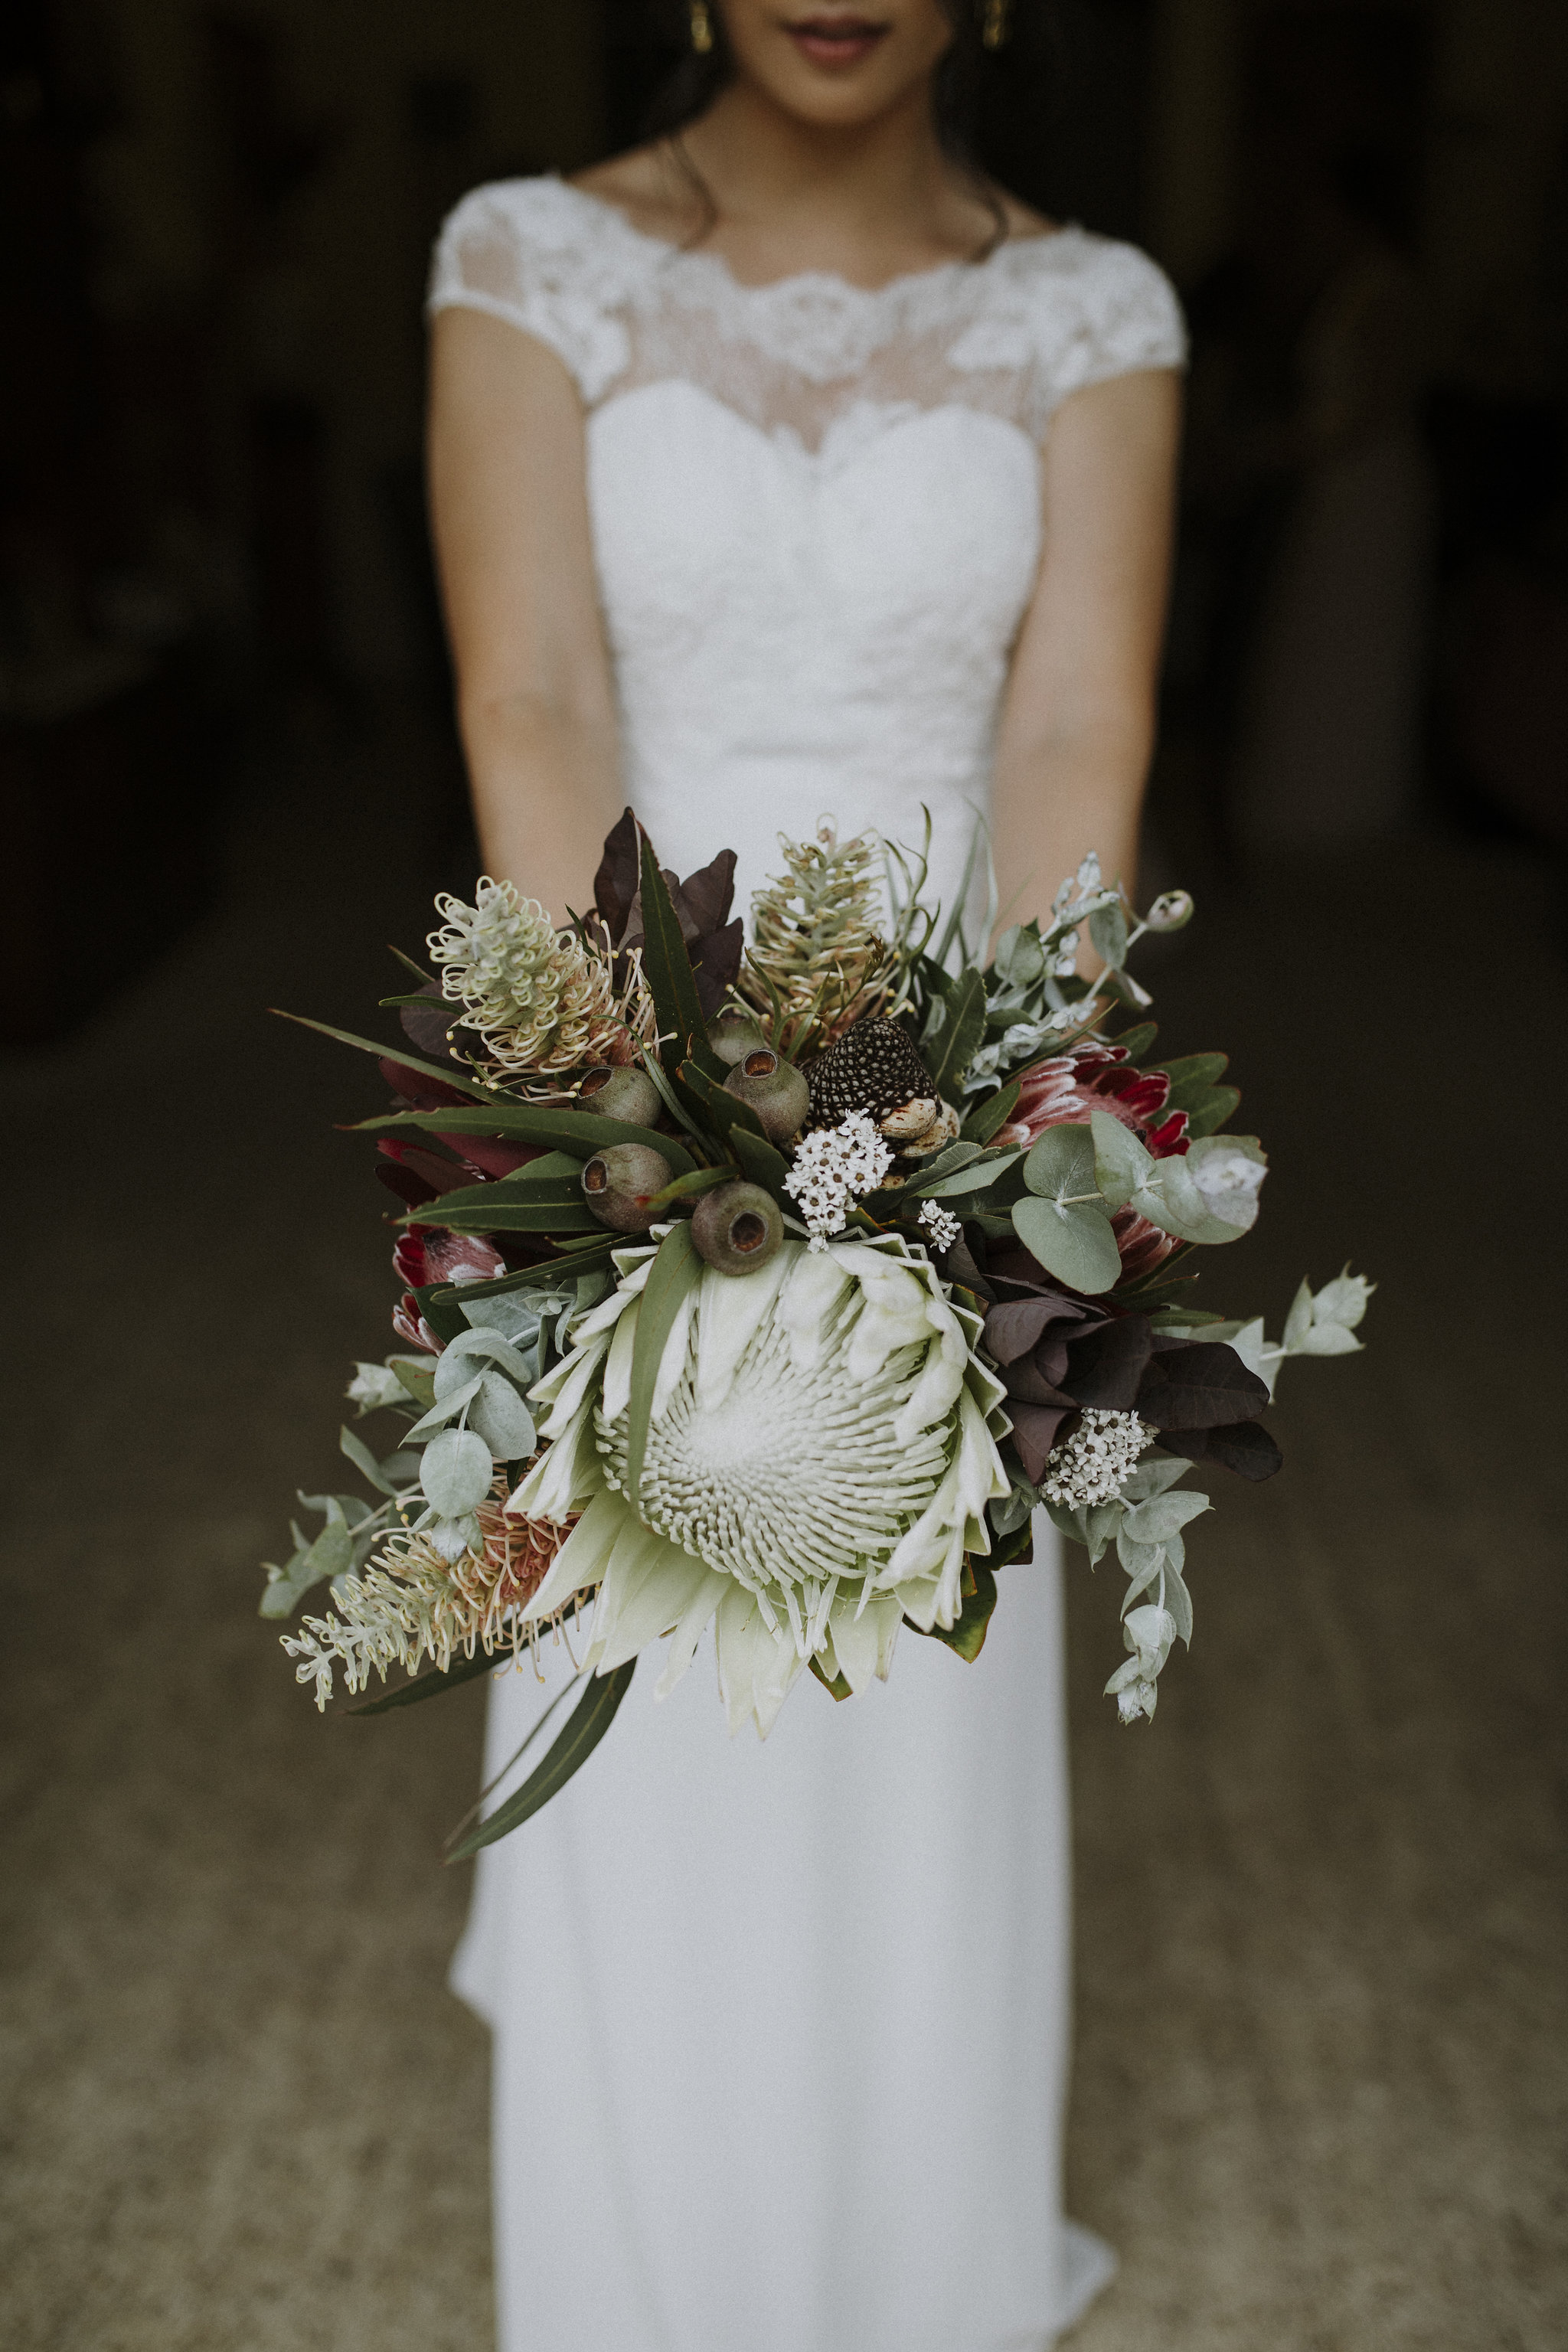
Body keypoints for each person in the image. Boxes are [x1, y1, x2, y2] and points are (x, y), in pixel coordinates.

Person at [425, 6, 1183, 2348]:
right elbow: (533, 692)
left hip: (944, 1119)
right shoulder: (529, 262)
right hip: (634, 1075)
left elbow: (1072, 720)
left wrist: (1028, 1119)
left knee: (906, 1720)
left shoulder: (1093, 309)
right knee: (653, 1704)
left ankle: (908, 2262)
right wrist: (626, 1124)